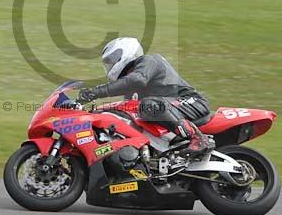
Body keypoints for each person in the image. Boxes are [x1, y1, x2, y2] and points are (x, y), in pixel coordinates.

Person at [77, 37, 211, 155]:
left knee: (149, 104)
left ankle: (198, 138)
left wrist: (95, 92)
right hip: (167, 109)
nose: (110, 64)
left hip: (192, 103)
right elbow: (125, 108)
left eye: (112, 59)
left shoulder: (149, 61)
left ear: (127, 51)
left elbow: (137, 79)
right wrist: (94, 113)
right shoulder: (130, 86)